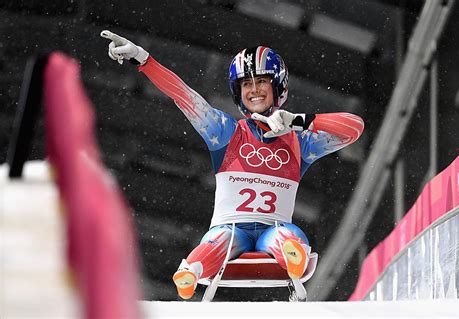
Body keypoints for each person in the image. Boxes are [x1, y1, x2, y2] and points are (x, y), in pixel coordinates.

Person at [100, 30, 365, 300]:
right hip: (229, 229)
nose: (254, 90)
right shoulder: (226, 132)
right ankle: (191, 271)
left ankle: (290, 253)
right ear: (238, 92)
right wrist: (144, 60)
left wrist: (298, 121)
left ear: (278, 87)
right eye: (246, 84)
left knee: (286, 235)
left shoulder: (300, 142)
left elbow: (354, 128)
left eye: (261, 81)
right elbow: (185, 98)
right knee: (220, 241)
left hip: (273, 228)